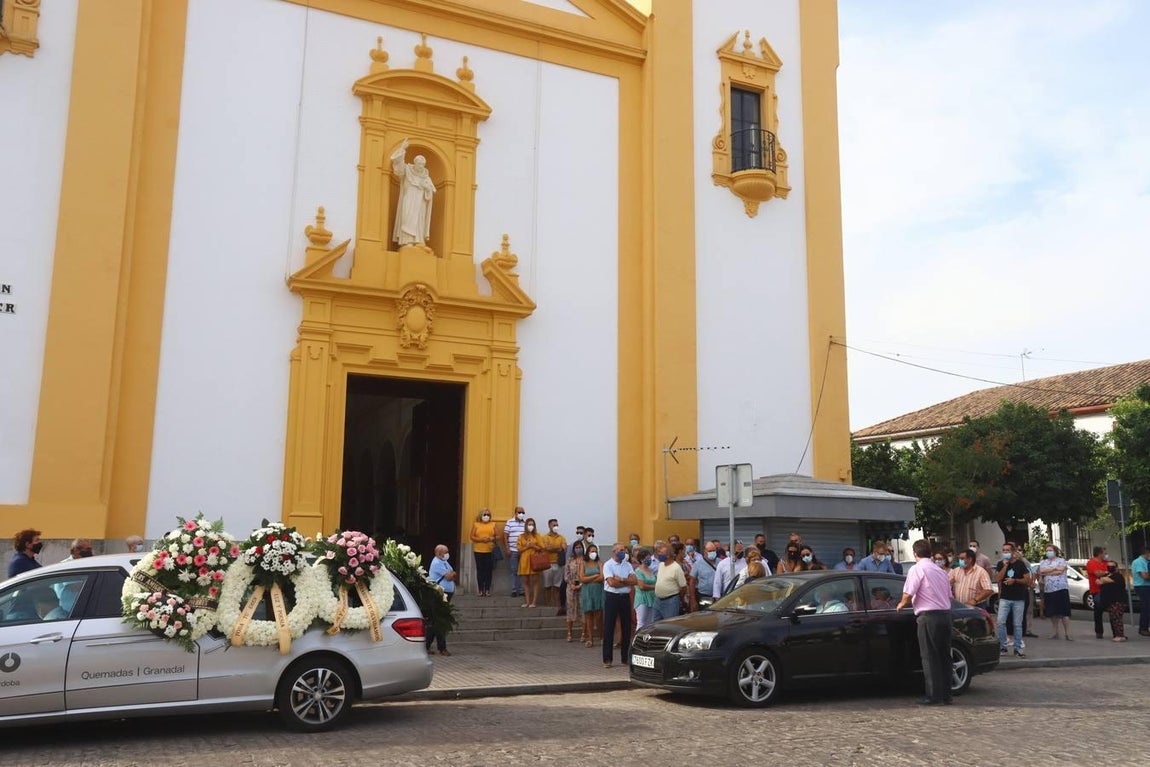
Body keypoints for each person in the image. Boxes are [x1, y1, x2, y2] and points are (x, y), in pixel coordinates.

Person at [896, 538, 953, 705]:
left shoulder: (917, 569)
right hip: (945, 615)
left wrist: (901, 604)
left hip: (929, 617)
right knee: (944, 656)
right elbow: (949, 595)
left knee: (930, 656)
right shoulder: (940, 571)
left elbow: (909, 592)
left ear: (915, 554)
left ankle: (933, 696)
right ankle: (946, 694)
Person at [390, 138, 435, 247]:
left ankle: (418, 240)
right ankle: (407, 241)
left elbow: (432, 191)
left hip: (420, 203)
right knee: (407, 218)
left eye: (423, 164)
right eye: (420, 164)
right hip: (409, 198)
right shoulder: (407, 170)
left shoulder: (425, 176)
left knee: (419, 220)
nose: (421, 166)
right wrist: (402, 149)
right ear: (415, 163)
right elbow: (398, 168)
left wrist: (427, 188)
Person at [602, 544, 636, 668]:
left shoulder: (627, 565)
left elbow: (634, 581)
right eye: (621, 550)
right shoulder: (608, 565)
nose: (624, 552)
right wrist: (626, 582)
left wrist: (621, 579)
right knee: (609, 627)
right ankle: (607, 659)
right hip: (612, 597)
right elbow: (611, 583)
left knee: (627, 627)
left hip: (625, 598)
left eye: (625, 550)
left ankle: (625, 657)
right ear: (614, 552)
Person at [995, 542, 1030, 657]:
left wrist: (1014, 580)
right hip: (1005, 598)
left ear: (1013, 552)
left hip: (1018, 598)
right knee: (1000, 622)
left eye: (1008, 551)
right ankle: (1003, 647)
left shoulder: (1020, 564)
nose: (1005, 553)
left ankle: (1018, 648)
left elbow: (1027, 580)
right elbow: (998, 578)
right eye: (1003, 550)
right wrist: (1005, 566)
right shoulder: (1001, 564)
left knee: (1017, 624)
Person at [1036, 544, 1072, 640]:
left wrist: (1049, 571)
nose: (1048, 552)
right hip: (1049, 589)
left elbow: (1060, 571)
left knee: (1064, 612)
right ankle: (1055, 631)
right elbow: (1042, 571)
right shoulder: (1043, 562)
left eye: (1050, 550)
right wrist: (1054, 569)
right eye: (1047, 550)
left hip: (1061, 588)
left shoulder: (1061, 560)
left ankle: (1067, 633)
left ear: (1055, 551)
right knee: (1053, 612)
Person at [425, 545, 455, 656]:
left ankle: (427, 646)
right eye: (446, 552)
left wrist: (452, 574)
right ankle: (442, 648)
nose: (447, 554)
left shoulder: (444, 562)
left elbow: (453, 573)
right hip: (439, 595)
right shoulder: (437, 563)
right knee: (439, 620)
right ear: (439, 553)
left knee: (436, 621)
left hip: (446, 594)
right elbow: (449, 576)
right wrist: (451, 574)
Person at [516, 517, 545, 608]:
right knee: (526, 581)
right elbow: (519, 549)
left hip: (535, 560)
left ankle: (534, 602)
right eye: (529, 524)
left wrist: (534, 546)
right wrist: (527, 546)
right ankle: (527, 601)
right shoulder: (521, 536)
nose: (530, 526)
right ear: (526, 526)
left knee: (535, 581)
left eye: (532, 524)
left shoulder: (537, 536)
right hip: (524, 560)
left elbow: (542, 547)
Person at [579, 544, 604, 647]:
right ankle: (590, 639)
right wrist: (594, 576)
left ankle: (602, 637)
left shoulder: (599, 563)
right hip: (587, 592)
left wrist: (588, 579)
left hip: (598, 591)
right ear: (587, 552)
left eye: (595, 551)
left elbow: (602, 577)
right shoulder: (583, 563)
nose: (593, 553)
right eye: (591, 551)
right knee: (588, 616)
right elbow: (582, 578)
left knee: (599, 616)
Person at [653, 544, 687, 620]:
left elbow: (683, 587)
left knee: (669, 624)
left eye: (661, 553)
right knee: (655, 624)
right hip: (658, 600)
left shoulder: (676, 568)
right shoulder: (661, 565)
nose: (658, 554)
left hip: (670, 601)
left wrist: (678, 598)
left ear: (668, 555)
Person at [469, 509, 498, 597]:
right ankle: (481, 590)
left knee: (488, 570)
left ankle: (488, 589)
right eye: (484, 514)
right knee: (480, 570)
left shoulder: (493, 524)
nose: (486, 516)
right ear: (481, 516)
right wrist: (481, 539)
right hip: (478, 550)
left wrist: (491, 538)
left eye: (488, 515)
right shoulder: (476, 524)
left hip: (489, 550)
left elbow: (498, 536)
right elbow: (472, 536)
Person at [1098, 558, 1128, 642]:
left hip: (1118, 601)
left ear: (1116, 567)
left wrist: (1102, 579)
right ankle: (1117, 634)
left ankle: (1120, 635)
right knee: (1113, 618)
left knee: (1117, 618)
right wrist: (1102, 579)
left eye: (1112, 566)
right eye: (1108, 566)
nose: (1110, 568)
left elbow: (1103, 580)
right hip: (1110, 601)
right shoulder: (1107, 575)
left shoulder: (1118, 576)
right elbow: (1098, 581)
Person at [1085, 546, 1110, 639]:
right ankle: (1099, 631)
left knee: (1112, 610)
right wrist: (1107, 572)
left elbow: (1115, 570)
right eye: (1104, 553)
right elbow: (1097, 573)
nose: (1106, 555)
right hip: (1097, 590)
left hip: (1108, 589)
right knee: (1098, 611)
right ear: (1099, 553)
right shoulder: (1091, 563)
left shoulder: (1106, 562)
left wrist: (1103, 572)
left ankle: (1116, 632)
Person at [542, 519, 567, 609]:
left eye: (557, 525)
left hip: (558, 564)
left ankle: (556, 604)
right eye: (553, 525)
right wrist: (558, 548)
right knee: (547, 586)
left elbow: (564, 548)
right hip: (547, 564)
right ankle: (547, 604)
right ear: (549, 526)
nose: (555, 527)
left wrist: (552, 547)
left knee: (557, 586)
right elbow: (546, 548)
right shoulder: (544, 537)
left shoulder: (561, 537)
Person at [502, 507, 526, 598]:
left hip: (523, 551)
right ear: (515, 513)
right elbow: (505, 536)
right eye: (519, 512)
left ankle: (521, 590)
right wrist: (507, 548)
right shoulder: (510, 522)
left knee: (522, 571)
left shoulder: (525, 523)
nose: (521, 514)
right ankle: (514, 590)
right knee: (513, 571)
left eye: (523, 512)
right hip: (513, 550)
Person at [564, 541, 585, 642]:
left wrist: (581, 584)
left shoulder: (585, 560)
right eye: (576, 547)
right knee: (570, 609)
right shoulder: (570, 560)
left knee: (583, 609)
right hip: (571, 587)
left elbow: (587, 574)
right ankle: (569, 633)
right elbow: (566, 574)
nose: (578, 549)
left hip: (583, 587)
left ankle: (584, 633)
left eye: (580, 547)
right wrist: (571, 584)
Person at [634, 547, 657, 629]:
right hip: (642, 599)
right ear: (641, 559)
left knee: (650, 622)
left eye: (650, 558)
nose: (649, 560)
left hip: (652, 598)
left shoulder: (650, 570)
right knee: (641, 622)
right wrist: (654, 587)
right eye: (647, 558)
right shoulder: (638, 571)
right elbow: (641, 586)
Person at [691, 541, 718, 608]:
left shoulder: (721, 563)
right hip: (704, 596)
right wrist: (693, 599)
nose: (712, 552)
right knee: (705, 614)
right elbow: (692, 582)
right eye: (710, 551)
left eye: (713, 550)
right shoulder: (698, 564)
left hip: (719, 596)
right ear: (704, 551)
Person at [1133, 547, 1150, 637]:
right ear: (1147, 553)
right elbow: (1144, 576)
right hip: (1142, 586)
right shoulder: (1139, 562)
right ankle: (1143, 628)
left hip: (1147, 586)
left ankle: (1145, 627)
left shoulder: (1146, 562)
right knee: (1146, 607)